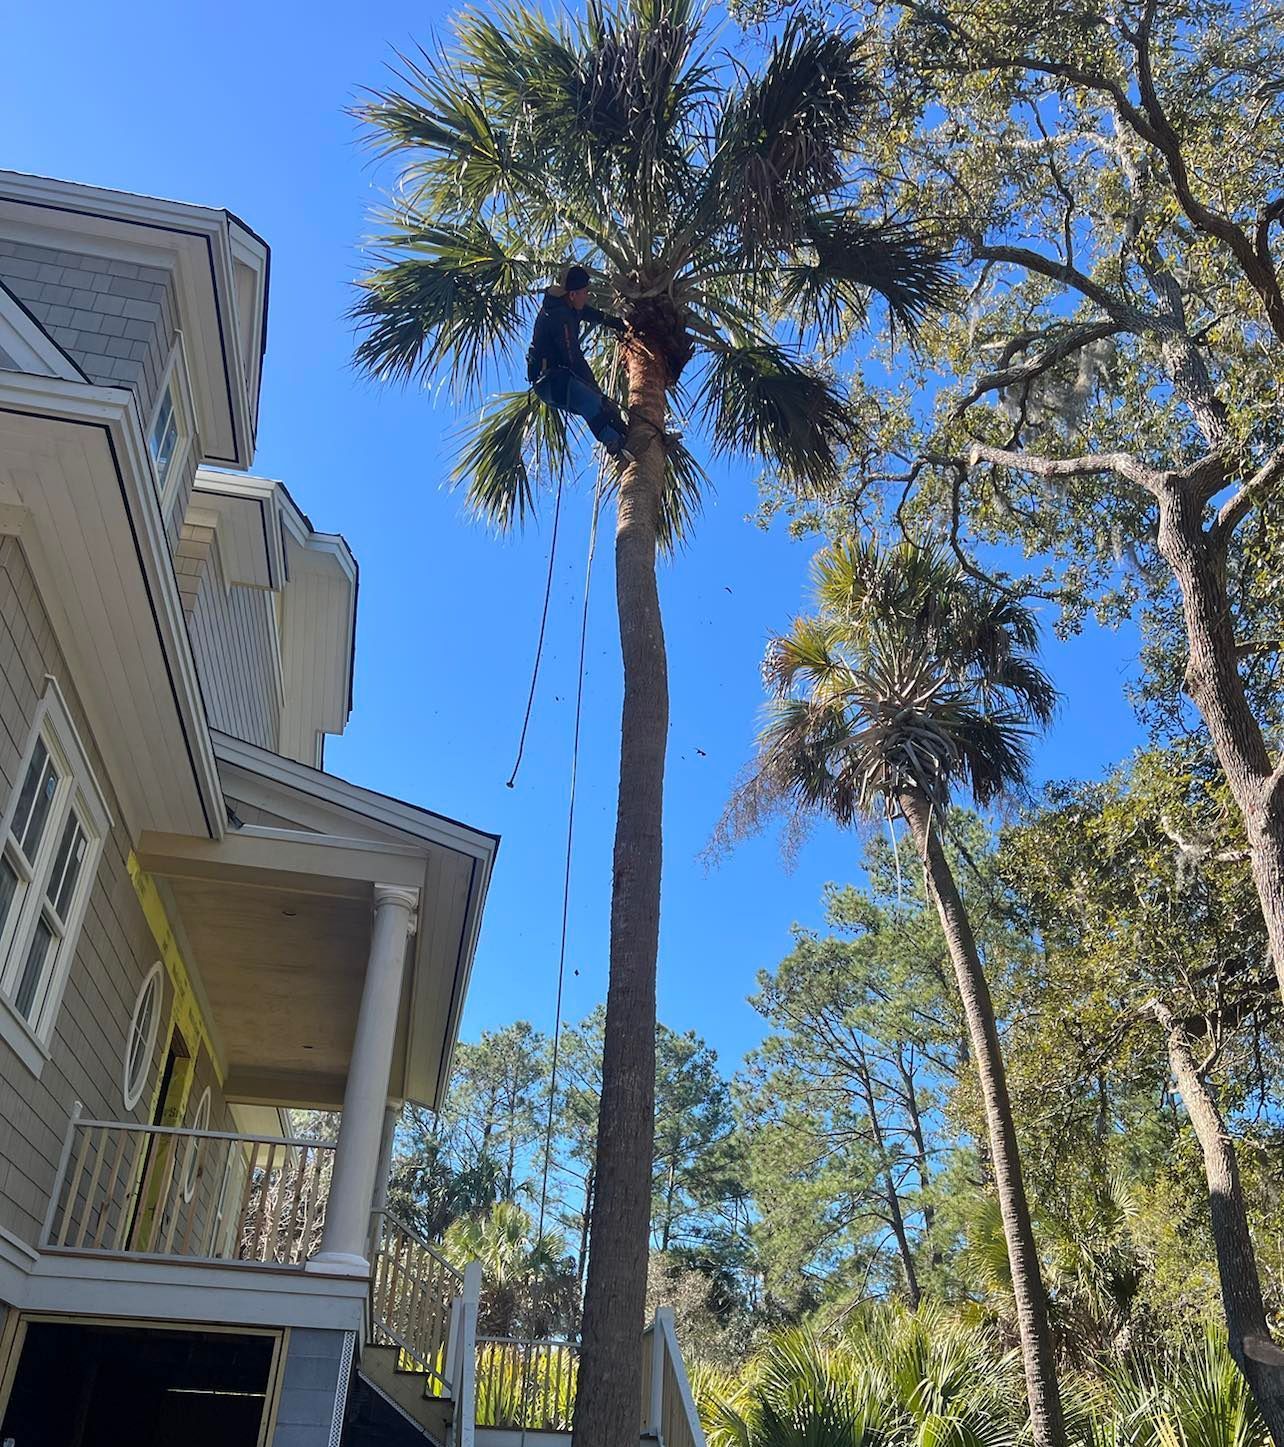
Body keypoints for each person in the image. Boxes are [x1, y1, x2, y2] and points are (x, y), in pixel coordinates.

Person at [527, 265, 634, 461]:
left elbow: (595, 315)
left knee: (603, 406)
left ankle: (626, 436)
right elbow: (572, 356)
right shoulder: (560, 315)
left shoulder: (570, 305)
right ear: (573, 294)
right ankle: (614, 444)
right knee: (590, 400)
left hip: (557, 379)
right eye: (585, 293)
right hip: (549, 382)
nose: (587, 296)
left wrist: (621, 324)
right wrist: (593, 386)